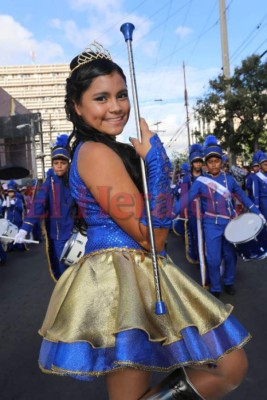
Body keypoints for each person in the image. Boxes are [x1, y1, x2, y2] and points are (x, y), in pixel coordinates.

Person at [38, 42, 251, 400]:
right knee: (228, 366)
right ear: (77, 106)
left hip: (137, 273)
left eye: (121, 95)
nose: (117, 106)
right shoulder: (94, 153)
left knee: (223, 366)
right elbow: (152, 237)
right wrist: (157, 166)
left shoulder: (107, 149)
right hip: (121, 281)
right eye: (101, 98)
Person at [188, 135, 263, 298]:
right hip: (210, 224)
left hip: (229, 223)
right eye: (210, 162)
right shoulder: (200, 181)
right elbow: (187, 199)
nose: (214, 164)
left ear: (221, 162)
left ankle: (228, 281)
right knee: (213, 259)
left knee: (230, 256)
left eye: (217, 161)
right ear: (206, 165)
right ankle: (215, 287)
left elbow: (243, 196)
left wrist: (258, 213)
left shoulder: (229, 179)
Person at [14, 135, 75, 281]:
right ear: (52, 165)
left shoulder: (75, 181)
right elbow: (37, 206)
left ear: (68, 164)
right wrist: (25, 229)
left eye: (62, 163)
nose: (59, 166)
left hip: (78, 234)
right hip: (58, 236)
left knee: (80, 274)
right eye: (56, 163)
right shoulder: (49, 184)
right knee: (64, 276)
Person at [251, 151, 267, 220]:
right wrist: (256, 204)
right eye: (265, 165)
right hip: (263, 201)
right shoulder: (257, 176)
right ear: (260, 166)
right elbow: (255, 191)